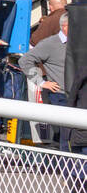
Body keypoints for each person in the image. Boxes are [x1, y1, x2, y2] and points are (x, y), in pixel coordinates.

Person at [21, 12, 71, 151]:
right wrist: (42, 83)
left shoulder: (78, 42)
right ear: (65, 27)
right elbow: (24, 61)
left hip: (77, 94)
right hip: (60, 94)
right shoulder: (50, 43)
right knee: (65, 134)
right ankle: (67, 167)